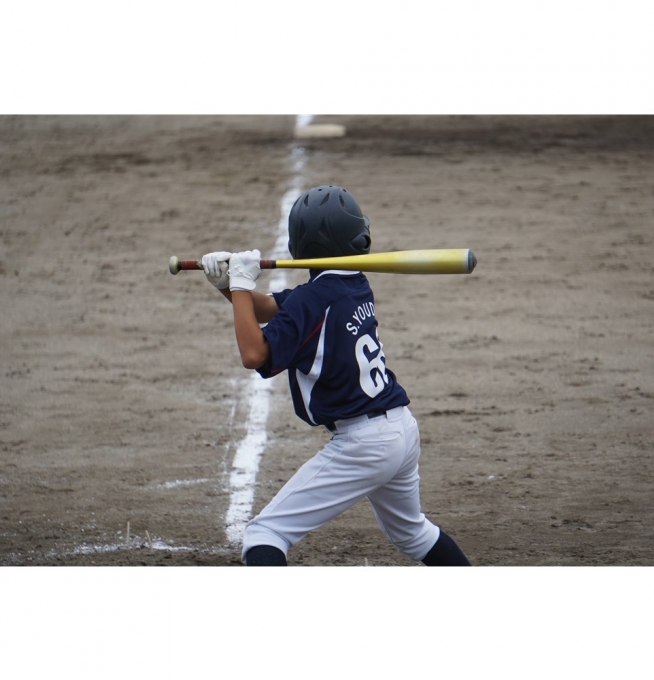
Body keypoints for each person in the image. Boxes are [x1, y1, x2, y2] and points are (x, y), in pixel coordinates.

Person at [202, 185, 471, 567]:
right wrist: (229, 286)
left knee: (265, 534)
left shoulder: (311, 301)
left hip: (365, 444)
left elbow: (254, 354)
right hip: (401, 429)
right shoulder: (352, 284)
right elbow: (269, 309)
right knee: (414, 534)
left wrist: (243, 284)